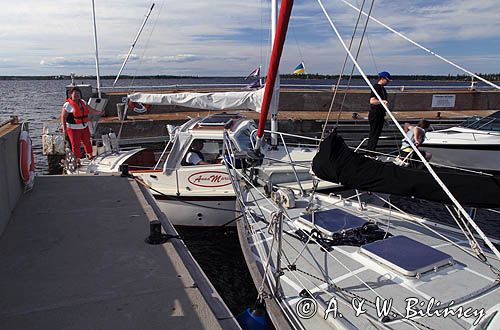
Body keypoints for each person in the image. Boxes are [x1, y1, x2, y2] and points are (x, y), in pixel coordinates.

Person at [61, 87, 101, 163]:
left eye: (78, 94)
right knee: (75, 144)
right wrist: (64, 129)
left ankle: (90, 155)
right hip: (73, 128)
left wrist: (99, 112)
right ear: (71, 95)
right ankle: (77, 159)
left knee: (87, 141)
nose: (77, 95)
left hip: (84, 126)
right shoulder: (68, 104)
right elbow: (63, 117)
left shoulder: (83, 102)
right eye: (75, 94)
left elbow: (90, 110)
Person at [367, 71, 391, 151]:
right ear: (382, 78)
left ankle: (371, 151)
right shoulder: (376, 87)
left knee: (376, 135)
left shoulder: (383, 89)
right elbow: (372, 101)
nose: (388, 82)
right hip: (375, 114)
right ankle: (370, 153)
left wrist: (385, 117)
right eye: (387, 80)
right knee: (374, 134)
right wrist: (382, 101)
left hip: (380, 114)